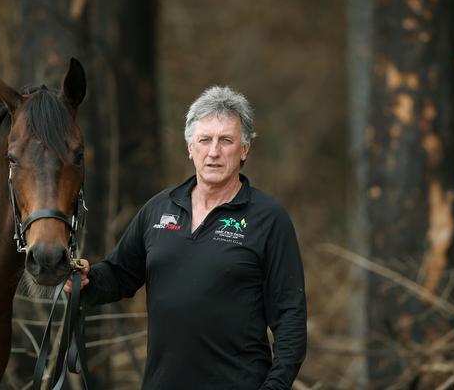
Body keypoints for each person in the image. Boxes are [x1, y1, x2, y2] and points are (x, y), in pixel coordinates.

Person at [67, 86, 307, 389]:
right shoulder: (158, 208)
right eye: (205, 140)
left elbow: (291, 318)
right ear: (190, 146)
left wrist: (275, 386)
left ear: (244, 149)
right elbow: (119, 275)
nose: (214, 151)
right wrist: (85, 283)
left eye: (226, 140)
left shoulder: (268, 218)